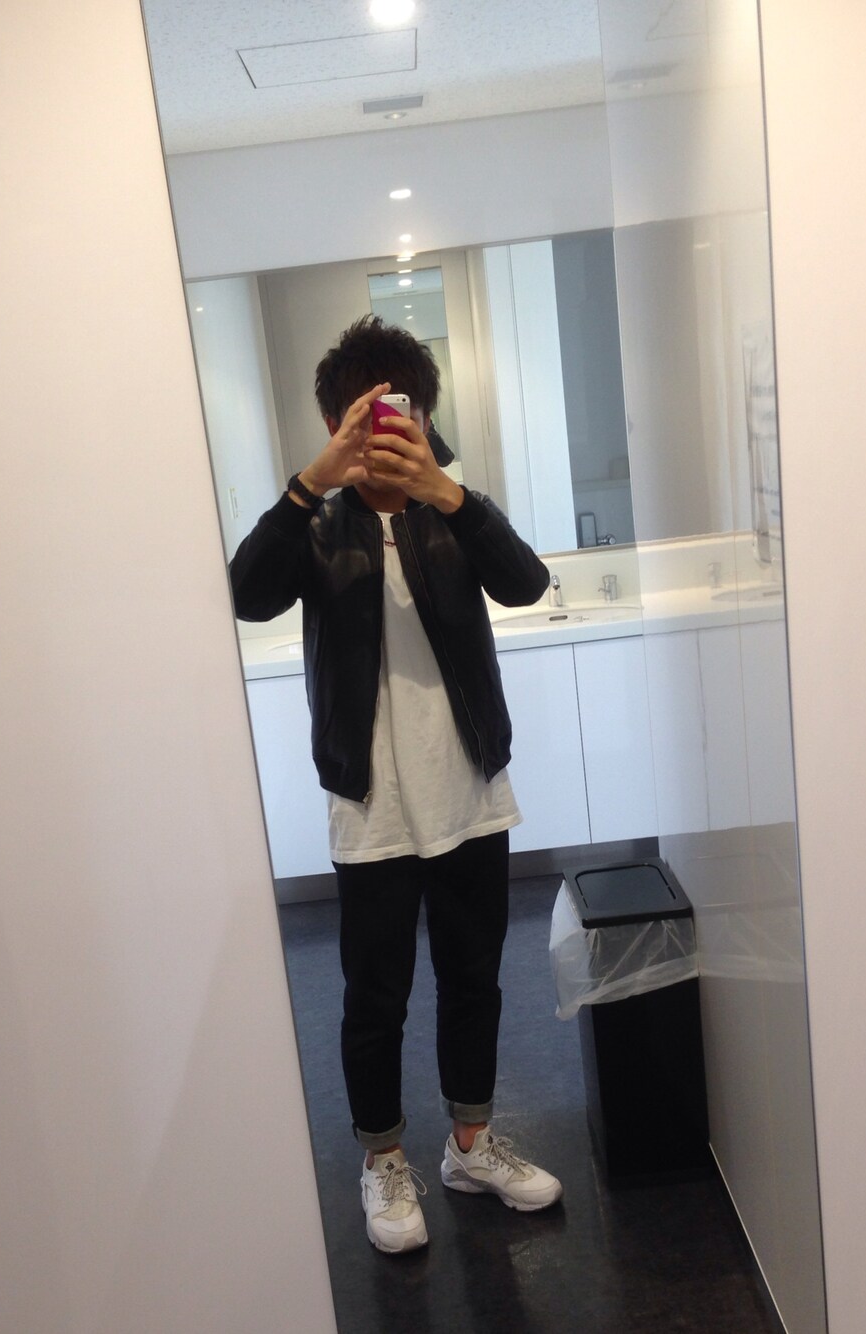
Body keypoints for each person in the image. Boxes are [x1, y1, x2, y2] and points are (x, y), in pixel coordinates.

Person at [229, 315, 563, 1254]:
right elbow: (244, 592)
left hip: (468, 791)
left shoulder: (451, 511)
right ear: (337, 422)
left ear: (423, 416)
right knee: (374, 998)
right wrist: (310, 482)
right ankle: (383, 1161)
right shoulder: (316, 526)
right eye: (362, 417)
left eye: (400, 412)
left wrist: (447, 493)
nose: (384, 431)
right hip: (371, 802)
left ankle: (469, 1146)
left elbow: (527, 583)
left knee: (474, 979)